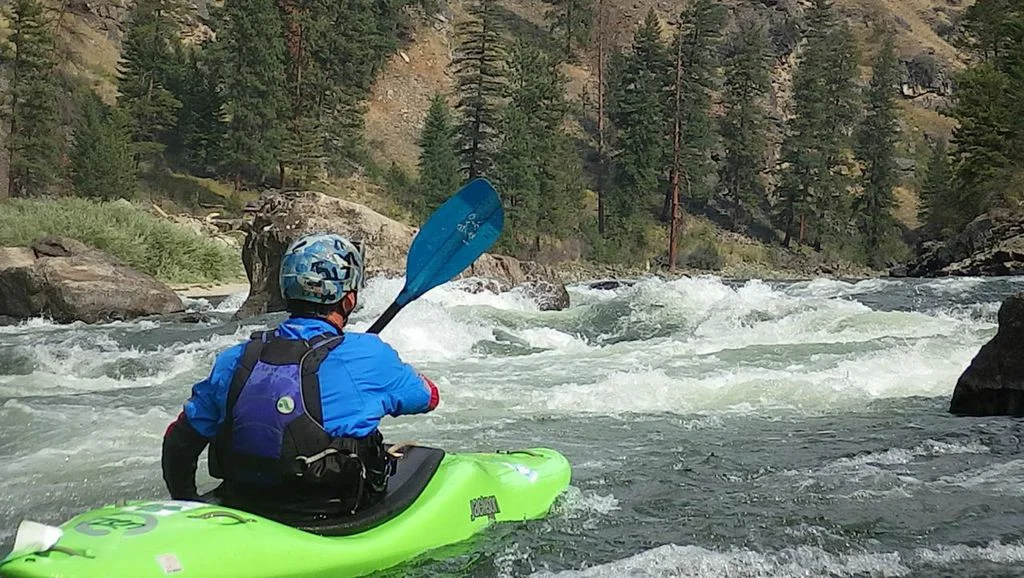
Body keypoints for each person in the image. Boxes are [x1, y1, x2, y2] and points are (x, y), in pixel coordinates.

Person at [161, 233, 440, 520]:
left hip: (241, 500)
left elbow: (179, 441)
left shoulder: (236, 357)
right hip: (327, 510)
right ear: (349, 300)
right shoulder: (368, 354)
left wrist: (187, 504)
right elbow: (429, 397)